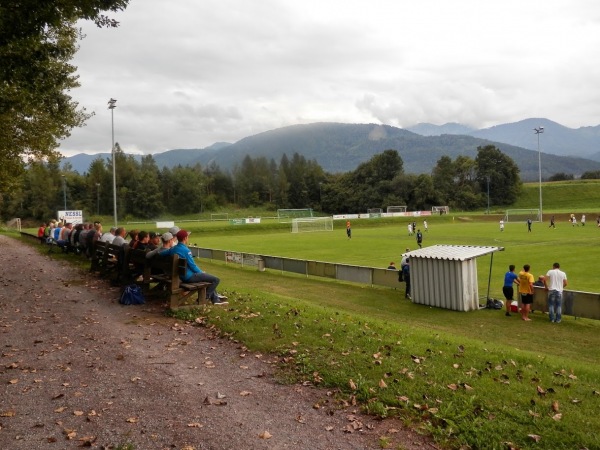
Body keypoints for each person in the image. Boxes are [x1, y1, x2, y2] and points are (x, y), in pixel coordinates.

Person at [152, 230, 228, 305]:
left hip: (181, 276)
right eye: (188, 237)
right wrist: (201, 272)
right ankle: (204, 298)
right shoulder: (186, 250)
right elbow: (192, 266)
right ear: (185, 238)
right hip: (189, 277)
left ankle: (216, 300)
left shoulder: (173, 249)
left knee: (208, 278)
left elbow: (161, 254)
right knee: (216, 280)